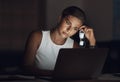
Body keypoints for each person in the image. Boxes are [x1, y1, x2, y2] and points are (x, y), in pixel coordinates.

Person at [23, 6, 96, 76]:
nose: (69, 30)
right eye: (68, 23)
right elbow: (26, 68)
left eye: (75, 28)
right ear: (60, 18)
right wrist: (54, 73)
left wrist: (92, 42)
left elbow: (87, 71)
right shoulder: (37, 37)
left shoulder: (74, 46)